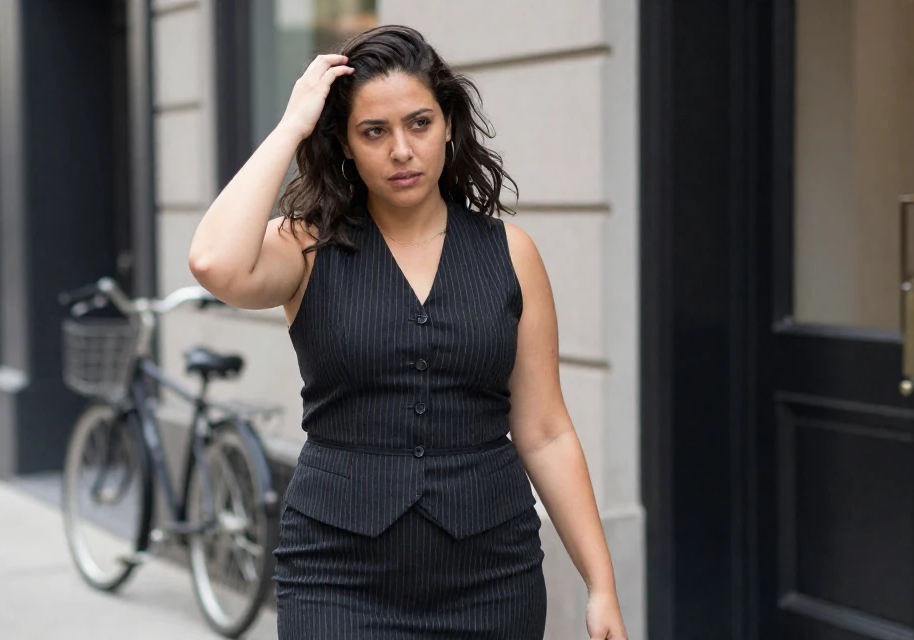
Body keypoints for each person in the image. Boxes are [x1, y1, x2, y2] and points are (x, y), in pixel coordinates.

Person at [188, 24, 627, 640]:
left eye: (419, 123)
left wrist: (600, 585)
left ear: (447, 123)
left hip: (490, 577)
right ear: (342, 142)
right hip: (336, 578)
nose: (401, 150)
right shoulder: (307, 246)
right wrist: (292, 126)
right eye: (374, 131)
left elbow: (546, 431)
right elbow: (214, 262)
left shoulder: (511, 253)